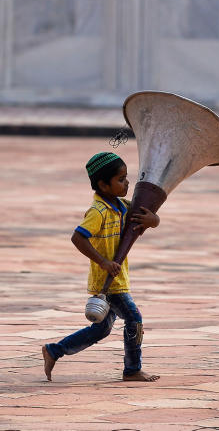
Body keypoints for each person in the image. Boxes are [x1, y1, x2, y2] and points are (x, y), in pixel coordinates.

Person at [42, 152, 160, 382]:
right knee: (134, 319)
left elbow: (149, 218)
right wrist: (104, 262)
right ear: (103, 184)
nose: (127, 183)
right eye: (120, 179)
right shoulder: (98, 212)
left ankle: (54, 350)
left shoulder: (122, 206)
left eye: (126, 178)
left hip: (117, 279)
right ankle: (133, 369)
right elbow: (78, 238)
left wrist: (153, 220)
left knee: (101, 329)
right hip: (108, 280)